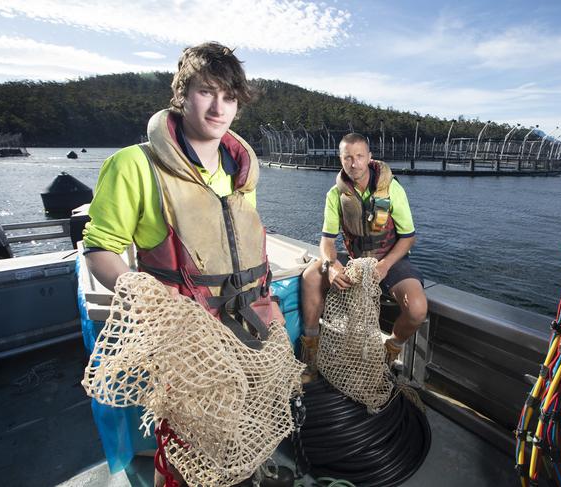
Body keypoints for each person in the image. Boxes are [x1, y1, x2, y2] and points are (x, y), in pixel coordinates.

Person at [83, 42, 281, 486]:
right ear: (182, 94)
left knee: (243, 440)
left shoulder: (242, 172)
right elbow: (98, 246)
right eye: (206, 92)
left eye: (229, 97)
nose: (218, 107)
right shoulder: (134, 165)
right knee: (185, 454)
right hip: (185, 344)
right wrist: (143, 297)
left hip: (250, 332)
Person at [301, 132, 428, 379]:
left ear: (369, 157)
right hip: (356, 260)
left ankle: (391, 350)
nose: (354, 163)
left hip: (392, 259)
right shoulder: (335, 195)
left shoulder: (391, 188)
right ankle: (311, 351)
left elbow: (409, 236)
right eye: (348, 157)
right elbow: (327, 240)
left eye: (360, 156)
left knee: (417, 309)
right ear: (341, 159)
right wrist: (332, 265)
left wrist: (385, 265)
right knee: (310, 276)